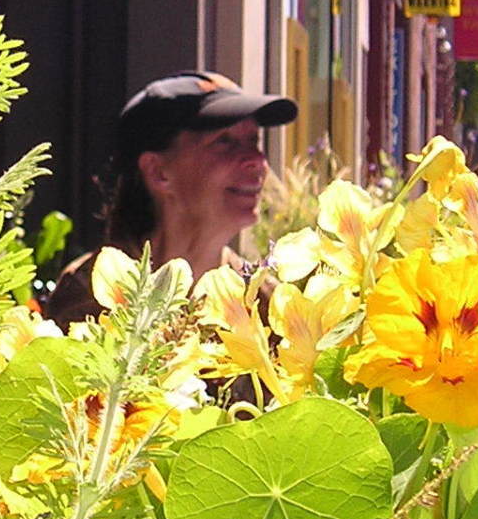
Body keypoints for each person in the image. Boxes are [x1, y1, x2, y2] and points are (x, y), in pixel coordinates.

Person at [42, 70, 297, 329]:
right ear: (157, 171)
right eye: (225, 141)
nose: (257, 161)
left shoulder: (264, 304)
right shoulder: (95, 294)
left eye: (254, 140)